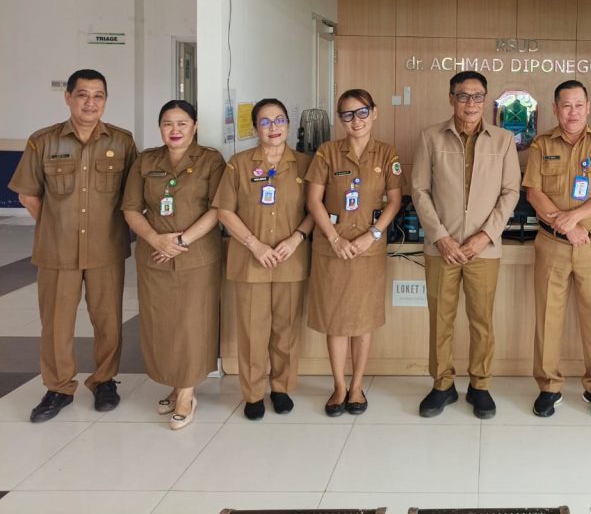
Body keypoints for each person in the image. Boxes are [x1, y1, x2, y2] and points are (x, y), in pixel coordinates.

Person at [10, 69, 138, 422]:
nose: (90, 103)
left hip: (106, 249)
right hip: (57, 251)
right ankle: (58, 388)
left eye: (98, 96)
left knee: (108, 320)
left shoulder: (122, 142)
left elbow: (133, 196)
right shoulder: (43, 141)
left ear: (105, 101)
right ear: (68, 98)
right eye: (82, 95)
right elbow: (27, 195)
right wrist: (55, 226)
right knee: (56, 323)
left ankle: (105, 381)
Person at [411, 71, 520, 419]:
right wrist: (440, 236)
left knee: (481, 319)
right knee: (440, 320)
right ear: (451, 98)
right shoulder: (430, 137)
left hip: (483, 250)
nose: (470, 103)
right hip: (441, 248)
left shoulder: (503, 140)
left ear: (485, 100)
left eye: (477, 97)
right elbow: (419, 190)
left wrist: (485, 236)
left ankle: (480, 385)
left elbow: (511, 192)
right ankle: (442, 385)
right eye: (463, 96)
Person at [522, 80, 591, 418]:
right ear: (555, 109)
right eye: (566, 106)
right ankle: (548, 387)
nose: (573, 112)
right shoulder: (541, 144)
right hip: (552, 243)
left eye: (579, 105)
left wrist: (575, 219)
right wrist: (565, 227)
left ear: (588, 107)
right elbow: (534, 193)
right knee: (547, 317)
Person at [122, 100, 225, 429]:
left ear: (195, 126)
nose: (175, 130)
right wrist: (156, 239)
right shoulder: (146, 160)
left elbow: (218, 209)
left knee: (193, 323)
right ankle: (176, 381)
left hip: (197, 257)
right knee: (162, 323)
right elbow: (131, 208)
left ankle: (187, 392)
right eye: (168, 123)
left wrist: (181, 241)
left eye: (182, 123)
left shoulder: (210, 160)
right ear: (160, 128)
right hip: (155, 257)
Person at [214, 99, 313, 420]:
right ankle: (253, 394)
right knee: (252, 332)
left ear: (288, 124)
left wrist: (296, 238)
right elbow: (224, 211)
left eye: (279, 120)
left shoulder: (305, 164)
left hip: (290, 260)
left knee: (286, 331)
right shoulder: (239, 164)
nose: (273, 127)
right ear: (255, 128)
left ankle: (281, 388)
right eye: (266, 122)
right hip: (250, 261)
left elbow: (316, 209)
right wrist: (255, 245)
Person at [305, 89, 402, 416]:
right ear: (340, 119)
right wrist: (335, 239)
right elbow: (313, 201)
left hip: (368, 251)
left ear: (374, 113)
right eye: (347, 115)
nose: (356, 121)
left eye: (362, 113)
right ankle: (338, 386)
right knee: (336, 321)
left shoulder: (386, 153)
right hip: (332, 249)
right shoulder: (327, 153)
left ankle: (357, 385)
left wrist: (372, 236)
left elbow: (394, 201)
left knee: (362, 321)